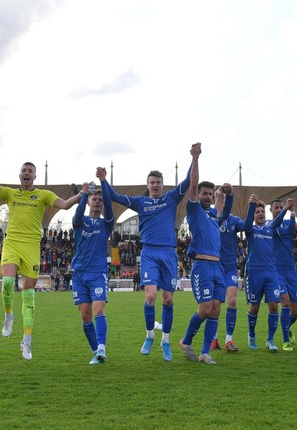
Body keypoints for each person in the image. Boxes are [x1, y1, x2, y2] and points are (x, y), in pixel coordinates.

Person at [0, 145, 80, 361]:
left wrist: (81, 194)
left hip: (32, 247)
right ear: (19, 175)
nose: (27, 174)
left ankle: (27, 341)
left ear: (35, 176)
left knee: (29, 296)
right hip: (12, 243)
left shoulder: (43, 195)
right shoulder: (11, 193)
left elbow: (65, 205)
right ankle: (8, 316)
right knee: (8, 283)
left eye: (30, 171)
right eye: (24, 171)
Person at [100, 157, 192, 362]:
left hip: (168, 253)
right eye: (152, 182)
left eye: (158, 182)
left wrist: (194, 158)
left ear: (162, 184)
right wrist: (104, 181)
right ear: (148, 185)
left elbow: (187, 182)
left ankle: (165, 341)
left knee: (168, 299)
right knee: (150, 297)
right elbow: (115, 196)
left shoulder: (170, 198)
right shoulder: (141, 202)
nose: (155, 185)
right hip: (149, 252)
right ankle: (150, 334)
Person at [178, 143, 223, 364]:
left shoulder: (214, 214)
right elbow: (193, 185)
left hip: (218, 267)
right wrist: (195, 158)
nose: (206, 196)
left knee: (215, 310)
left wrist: (226, 193)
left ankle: (205, 353)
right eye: (204, 193)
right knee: (204, 309)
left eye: (209, 194)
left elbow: (224, 203)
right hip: (202, 266)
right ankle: (186, 341)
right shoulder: (194, 210)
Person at [70, 182, 115, 364]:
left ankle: (102, 347)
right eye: (94, 199)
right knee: (85, 315)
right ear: (88, 202)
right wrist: (83, 194)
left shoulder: (106, 224)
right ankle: (96, 352)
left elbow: (111, 211)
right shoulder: (80, 222)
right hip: (79, 274)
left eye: (100, 200)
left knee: (98, 309)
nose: (97, 202)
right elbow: (77, 215)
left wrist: (104, 188)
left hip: (97, 273)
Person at [240, 195, 292, 351]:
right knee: (254, 307)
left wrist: (286, 208)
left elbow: (278, 220)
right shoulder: (250, 229)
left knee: (274, 306)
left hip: (271, 272)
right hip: (254, 272)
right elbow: (247, 222)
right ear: (254, 215)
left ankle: (270, 340)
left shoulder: (270, 227)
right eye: (257, 212)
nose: (261, 214)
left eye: (262, 211)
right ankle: (251, 335)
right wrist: (251, 206)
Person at [212, 185, 245, 352]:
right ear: (214, 201)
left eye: (224, 199)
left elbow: (247, 227)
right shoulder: (209, 217)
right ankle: (214, 338)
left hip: (230, 268)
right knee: (215, 304)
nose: (222, 201)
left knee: (232, 301)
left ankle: (229, 340)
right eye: (219, 198)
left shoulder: (234, 220)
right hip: (214, 267)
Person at [270, 198, 297, 350]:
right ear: (271, 210)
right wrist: (285, 210)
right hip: (276, 270)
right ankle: (285, 341)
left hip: (291, 271)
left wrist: (293, 211)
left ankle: (287, 328)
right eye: (276, 207)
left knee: (295, 312)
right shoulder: (269, 224)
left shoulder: (287, 223)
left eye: (280, 207)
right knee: (285, 303)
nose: (279, 209)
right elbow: (275, 224)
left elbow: (291, 230)